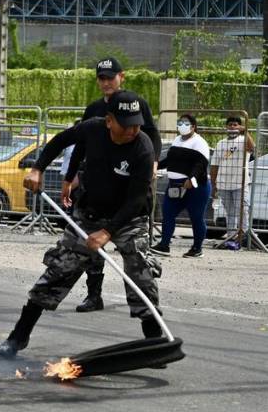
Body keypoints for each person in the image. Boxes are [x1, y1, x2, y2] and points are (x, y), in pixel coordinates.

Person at [0, 91, 163, 359]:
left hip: (128, 218)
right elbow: (60, 141)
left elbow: (135, 200)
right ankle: (19, 335)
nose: (133, 129)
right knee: (61, 267)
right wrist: (38, 168)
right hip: (89, 214)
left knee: (139, 266)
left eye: (137, 123)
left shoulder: (143, 148)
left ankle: (154, 337)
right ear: (110, 121)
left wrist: (108, 232)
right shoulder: (93, 129)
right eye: (127, 123)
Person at [63, 57, 162, 312]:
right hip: (97, 188)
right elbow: (80, 144)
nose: (106, 82)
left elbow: (152, 134)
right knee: (92, 245)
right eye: (102, 78)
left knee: (133, 249)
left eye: (111, 77)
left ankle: (143, 300)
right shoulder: (94, 109)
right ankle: (94, 294)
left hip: (128, 184)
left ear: (122, 77)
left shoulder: (136, 104)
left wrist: (153, 162)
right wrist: (70, 176)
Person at [150, 114, 211, 258]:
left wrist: (192, 178)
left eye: (186, 123)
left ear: (193, 126)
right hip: (174, 186)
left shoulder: (199, 142)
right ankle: (164, 245)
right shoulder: (177, 140)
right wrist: (155, 165)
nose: (182, 125)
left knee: (196, 217)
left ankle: (197, 248)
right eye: (180, 122)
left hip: (194, 188)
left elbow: (201, 164)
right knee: (168, 214)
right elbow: (170, 160)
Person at [211, 116, 255, 245]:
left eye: (235, 125)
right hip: (223, 183)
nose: (232, 127)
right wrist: (213, 185)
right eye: (230, 124)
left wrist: (245, 131)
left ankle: (245, 238)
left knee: (242, 211)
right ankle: (230, 237)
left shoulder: (243, 140)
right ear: (226, 127)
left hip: (240, 183)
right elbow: (214, 165)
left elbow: (252, 148)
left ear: (239, 127)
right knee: (229, 212)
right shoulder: (221, 143)